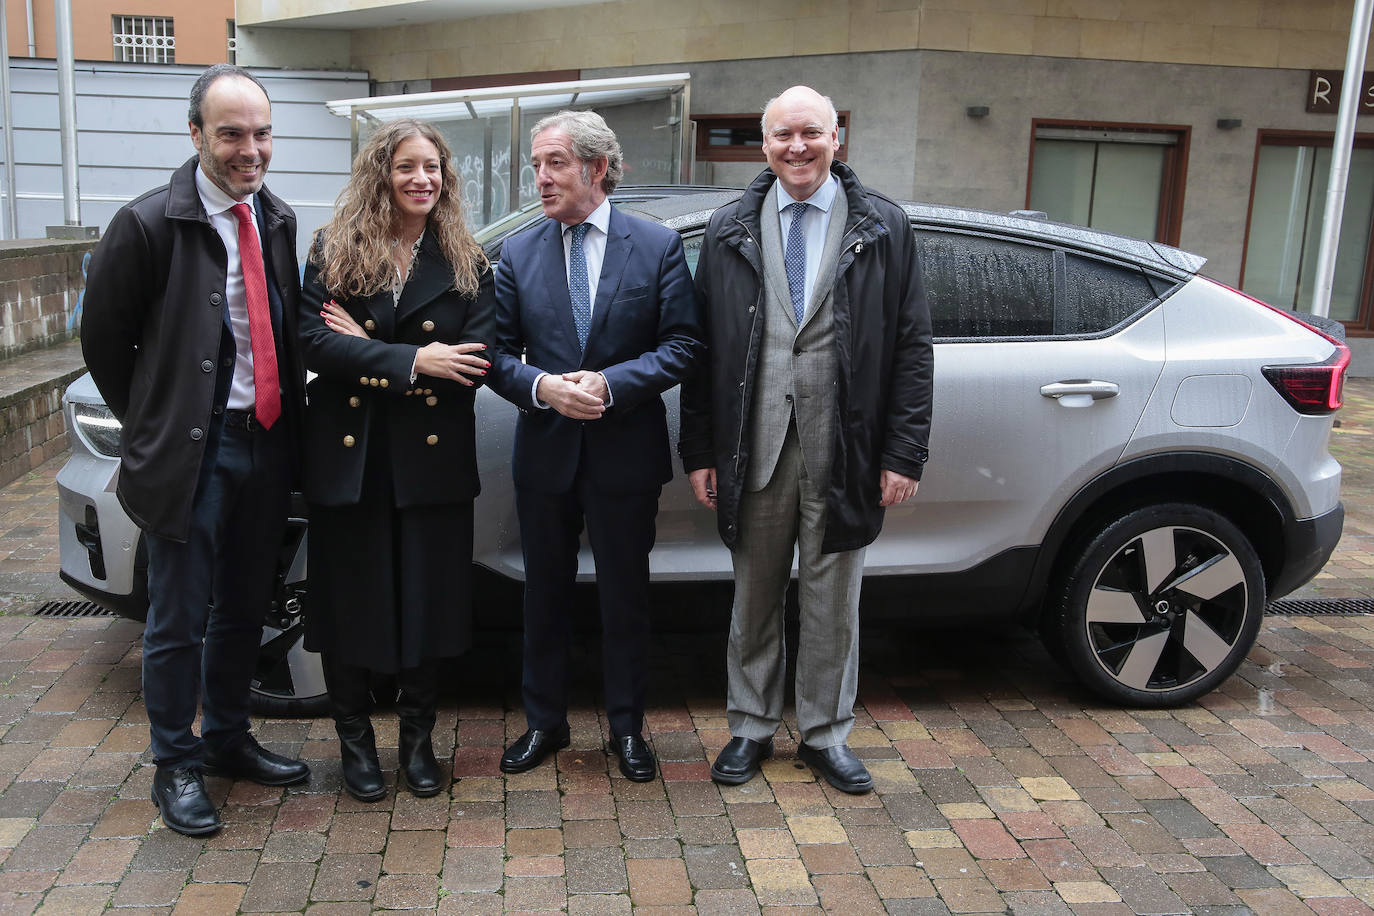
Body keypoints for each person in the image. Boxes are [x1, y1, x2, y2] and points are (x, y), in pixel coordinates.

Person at [679, 85, 933, 794]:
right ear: (765, 145)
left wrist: (903, 453)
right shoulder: (730, 226)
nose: (798, 147)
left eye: (811, 134)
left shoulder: (882, 226)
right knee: (753, 598)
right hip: (751, 448)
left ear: (836, 138)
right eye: (784, 135)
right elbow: (701, 351)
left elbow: (913, 347)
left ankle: (825, 735)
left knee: (833, 604)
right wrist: (698, 450)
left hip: (844, 449)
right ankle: (751, 726)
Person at [81, 64, 310, 836]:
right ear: (196, 135)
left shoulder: (276, 220)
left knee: (244, 608)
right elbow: (107, 345)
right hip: (193, 455)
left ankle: (227, 740)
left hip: (267, 447)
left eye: (262, 133)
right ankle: (174, 763)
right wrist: (158, 428)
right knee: (176, 617)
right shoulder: (146, 225)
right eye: (232, 134)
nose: (251, 150)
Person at [486, 109, 702, 782]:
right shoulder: (520, 252)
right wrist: (542, 386)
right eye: (536, 165)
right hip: (546, 452)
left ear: (596, 168)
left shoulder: (656, 245)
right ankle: (543, 723)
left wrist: (610, 384)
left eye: (554, 163)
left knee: (624, 597)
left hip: (623, 454)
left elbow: (684, 346)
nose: (541, 178)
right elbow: (493, 355)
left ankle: (628, 728)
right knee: (541, 594)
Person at [298, 119, 495, 802]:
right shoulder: (334, 249)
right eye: (407, 166)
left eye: (432, 167)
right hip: (350, 460)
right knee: (348, 602)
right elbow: (313, 344)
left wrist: (371, 355)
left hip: (429, 465)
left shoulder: (465, 257)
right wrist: (414, 360)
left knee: (426, 604)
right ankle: (355, 743)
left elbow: (471, 363)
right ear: (381, 173)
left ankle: (417, 742)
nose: (422, 180)